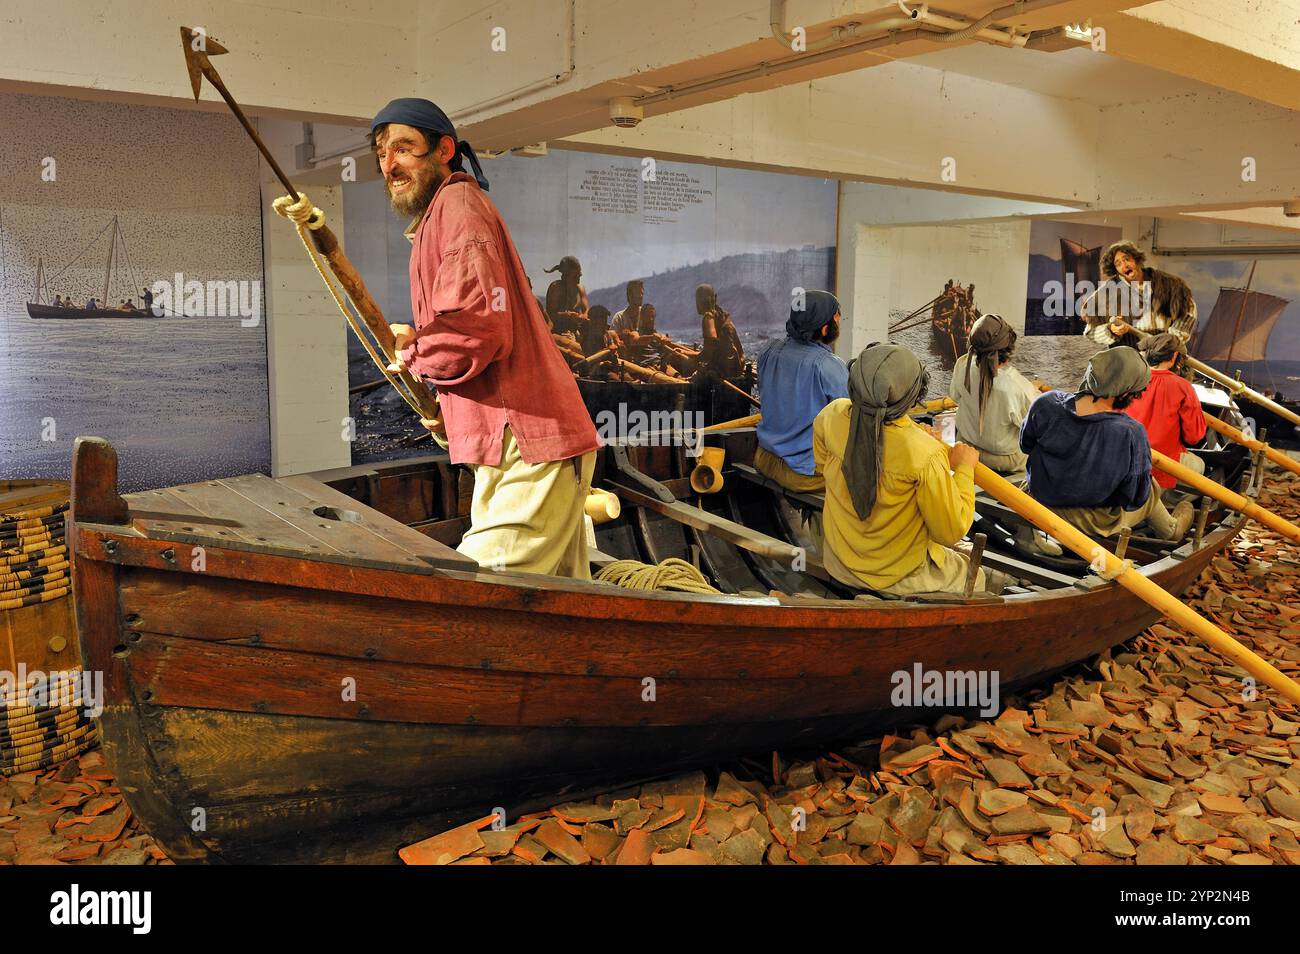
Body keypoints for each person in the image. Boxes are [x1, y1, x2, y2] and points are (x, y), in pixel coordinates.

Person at [373, 97, 600, 579]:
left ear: (444, 149)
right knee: (562, 605)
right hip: (518, 443)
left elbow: (479, 326)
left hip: (528, 442)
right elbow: (471, 321)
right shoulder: (444, 214)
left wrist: (413, 353)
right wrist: (423, 346)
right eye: (381, 153)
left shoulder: (457, 207)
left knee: (478, 593)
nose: (389, 164)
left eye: (404, 148)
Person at [813, 343, 1008, 597]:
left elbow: (822, 466)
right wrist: (964, 469)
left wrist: (915, 433)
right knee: (979, 577)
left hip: (838, 559)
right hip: (894, 576)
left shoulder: (831, 415)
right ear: (911, 397)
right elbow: (950, 531)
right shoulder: (924, 453)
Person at [1020, 347, 1194, 542]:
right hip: (1088, 519)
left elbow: (1025, 445)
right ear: (1127, 393)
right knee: (1150, 488)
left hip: (1038, 498)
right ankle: (1171, 530)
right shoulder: (1131, 433)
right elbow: (1134, 498)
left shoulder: (1046, 403)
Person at [754, 290, 848, 493]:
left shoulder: (768, 351)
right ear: (824, 330)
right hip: (802, 474)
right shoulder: (829, 366)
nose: (840, 322)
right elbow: (847, 423)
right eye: (837, 318)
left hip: (764, 458)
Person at [948, 314, 1040, 475]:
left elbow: (955, 397)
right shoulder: (1017, 386)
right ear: (1009, 346)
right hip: (1005, 461)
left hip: (966, 450)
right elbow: (1037, 428)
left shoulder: (962, 364)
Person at [1125, 332, 1208, 491]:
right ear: (1174, 356)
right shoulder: (1183, 387)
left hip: (1123, 460)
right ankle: (1168, 500)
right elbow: (1194, 437)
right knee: (1200, 466)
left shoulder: (1128, 378)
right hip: (1159, 467)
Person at [1083, 241, 1197, 348]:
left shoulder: (1170, 284)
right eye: (1118, 264)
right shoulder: (1105, 294)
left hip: (1163, 357)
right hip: (1127, 358)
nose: (1124, 265)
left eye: (1126, 259)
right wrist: (1111, 330)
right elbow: (1091, 332)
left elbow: (1188, 311)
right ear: (1115, 270)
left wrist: (1171, 340)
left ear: (1136, 259)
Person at [695, 284, 744, 379]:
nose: (697, 304)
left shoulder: (708, 317)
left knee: (681, 360)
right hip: (737, 367)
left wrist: (693, 357)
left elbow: (711, 347)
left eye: (698, 299)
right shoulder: (723, 316)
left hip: (722, 371)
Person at [544, 256, 587, 338]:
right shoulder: (556, 287)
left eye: (579, 274)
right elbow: (550, 315)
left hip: (577, 331)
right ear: (566, 275)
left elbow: (587, 309)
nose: (579, 277)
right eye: (575, 275)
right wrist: (568, 315)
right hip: (558, 332)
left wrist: (583, 316)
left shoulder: (580, 289)